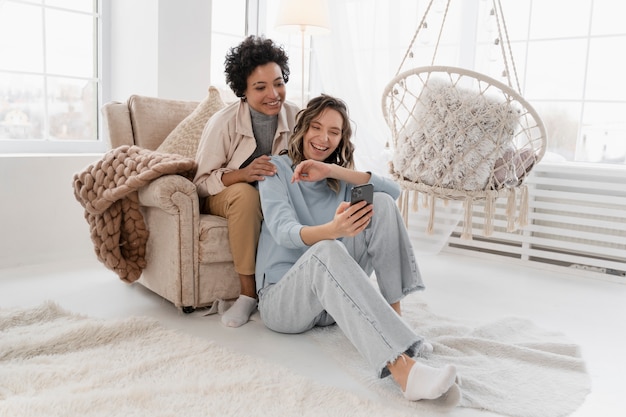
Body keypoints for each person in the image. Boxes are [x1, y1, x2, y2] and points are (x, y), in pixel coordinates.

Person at [255, 95, 458, 401]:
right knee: (326, 249)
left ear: (341, 139)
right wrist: (332, 231)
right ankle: (404, 370)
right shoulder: (276, 170)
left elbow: (394, 191)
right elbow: (284, 231)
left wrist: (332, 171)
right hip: (283, 302)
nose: (323, 138)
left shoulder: (339, 180)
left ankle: (396, 322)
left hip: (331, 305)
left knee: (383, 203)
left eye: (334, 132)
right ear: (302, 128)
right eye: (317, 127)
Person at [194, 35, 299, 327]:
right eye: (260, 87)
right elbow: (200, 183)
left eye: (278, 83)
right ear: (243, 90)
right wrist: (243, 174)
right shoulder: (223, 123)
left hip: (274, 195)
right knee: (246, 195)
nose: (274, 94)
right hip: (228, 193)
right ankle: (247, 295)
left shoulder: (298, 116)